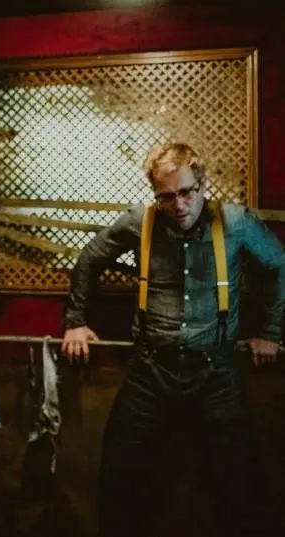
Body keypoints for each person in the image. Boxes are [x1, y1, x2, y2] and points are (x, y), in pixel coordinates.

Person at [61, 143, 285, 537]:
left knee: (240, 483)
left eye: (186, 192)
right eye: (166, 196)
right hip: (151, 371)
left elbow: (279, 265)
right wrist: (75, 322)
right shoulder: (140, 221)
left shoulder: (235, 223)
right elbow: (89, 258)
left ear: (203, 185)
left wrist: (270, 332)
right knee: (119, 475)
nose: (178, 205)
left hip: (216, 373)